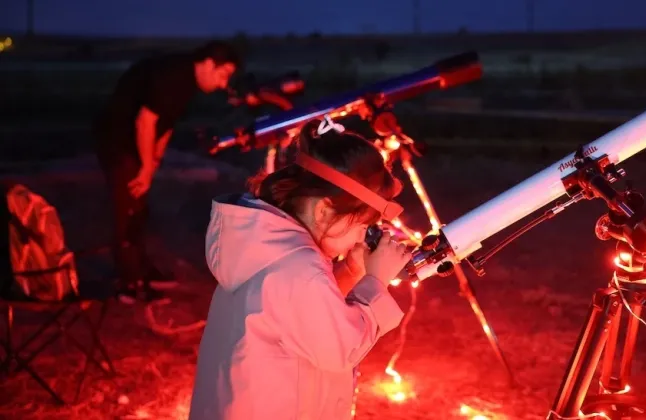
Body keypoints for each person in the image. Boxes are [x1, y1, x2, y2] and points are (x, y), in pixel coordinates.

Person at [188, 116, 410, 420]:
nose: (363, 235)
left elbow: (303, 314)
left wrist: (351, 272)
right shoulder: (299, 269)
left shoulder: (269, 249)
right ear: (324, 210)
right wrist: (376, 282)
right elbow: (339, 348)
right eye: (363, 224)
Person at [92, 41, 241, 303]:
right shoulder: (173, 74)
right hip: (118, 141)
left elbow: (166, 122)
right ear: (208, 63)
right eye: (223, 74)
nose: (222, 84)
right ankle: (130, 282)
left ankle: (142, 268)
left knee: (139, 207)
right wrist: (146, 167)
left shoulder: (186, 82)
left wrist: (155, 158)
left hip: (135, 143)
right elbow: (145, 121)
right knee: (127, 207)